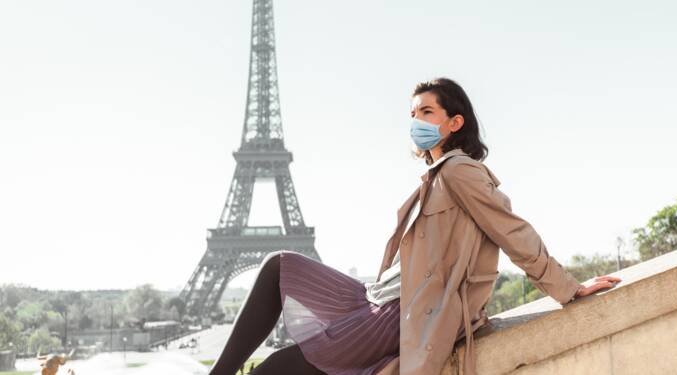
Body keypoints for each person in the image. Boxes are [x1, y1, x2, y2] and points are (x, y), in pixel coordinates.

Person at [207, 77, 621, 375]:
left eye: (427, 111)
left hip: (399, 313)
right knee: (280, 271)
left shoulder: (461, 173)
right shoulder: (438, 176)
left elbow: (513, 232)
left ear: (454, 122)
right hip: (377, 298)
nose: (416, 121)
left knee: (277, 367)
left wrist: (569, 289)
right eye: (412, 113)